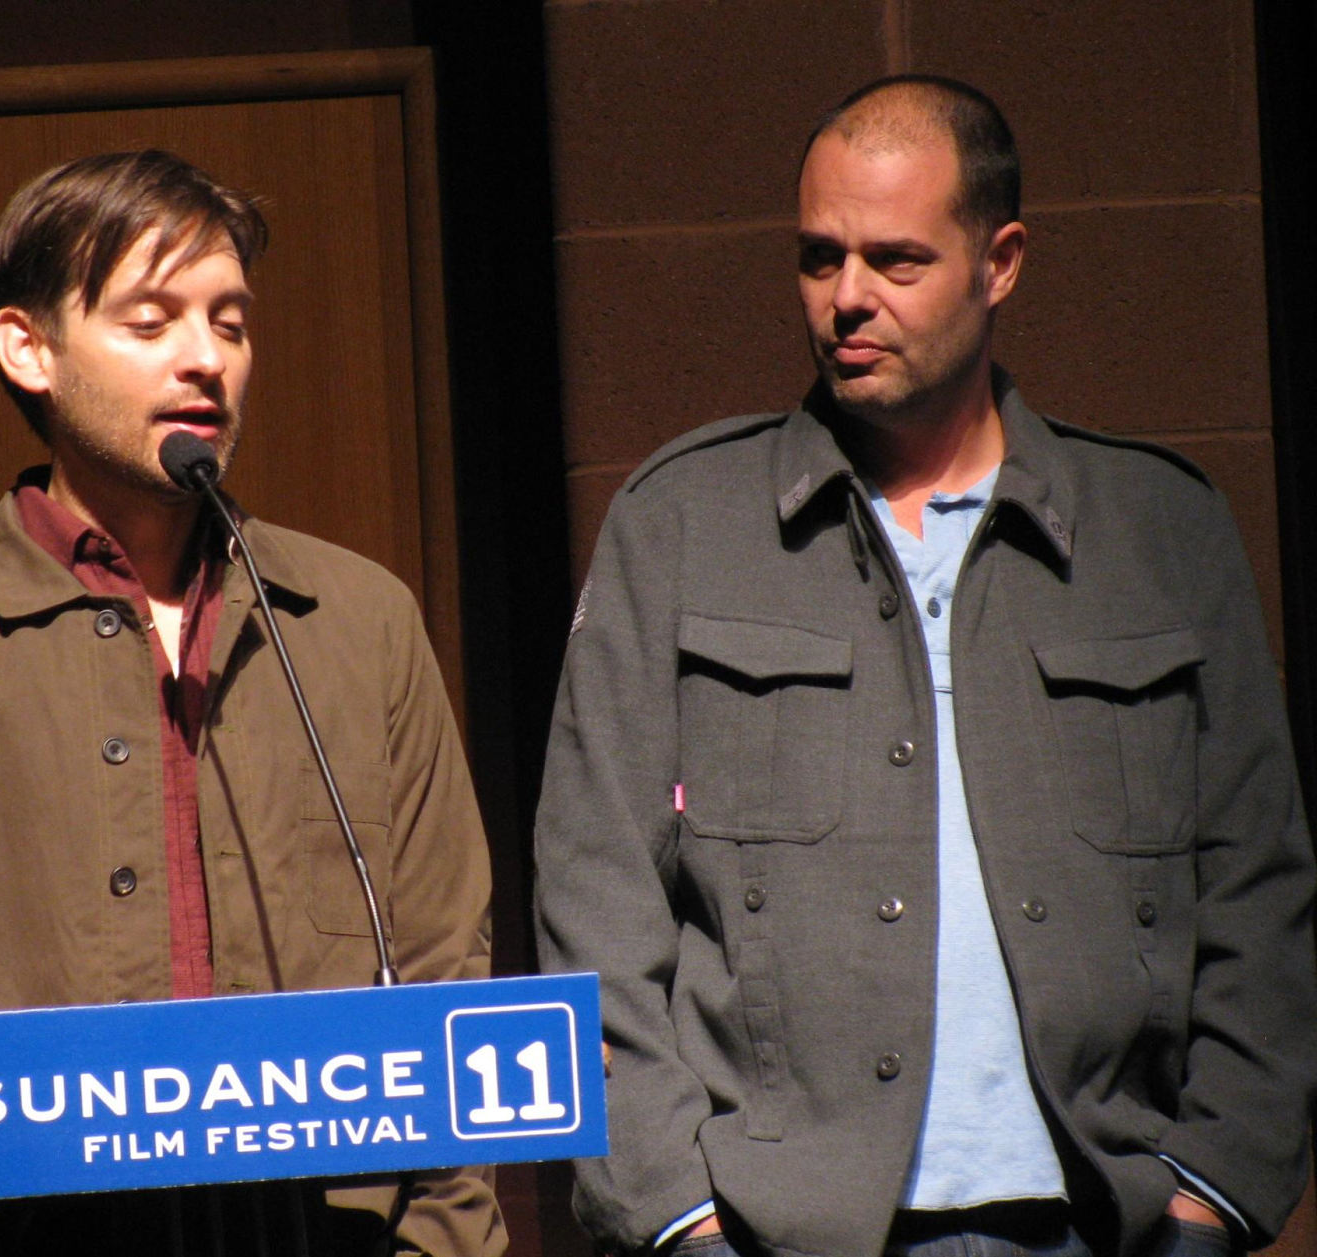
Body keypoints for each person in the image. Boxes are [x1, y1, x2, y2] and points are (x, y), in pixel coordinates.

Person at [534, 76, 1317, 1257]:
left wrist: (1213, 1189)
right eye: (817, 257)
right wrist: (674, 1219)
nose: (846, 299)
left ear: (999, 262)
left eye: (895, 261)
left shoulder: (1159, 525)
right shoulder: (682, 524)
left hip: (1106, 1217)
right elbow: (595, 899)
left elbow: (1259, 888)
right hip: (775, 1227)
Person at [0, 149, 506, 1257]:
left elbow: (448, 965)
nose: (206, 359)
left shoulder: (357, 618)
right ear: (28, 348)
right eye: (152, 324)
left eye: (232, 323)